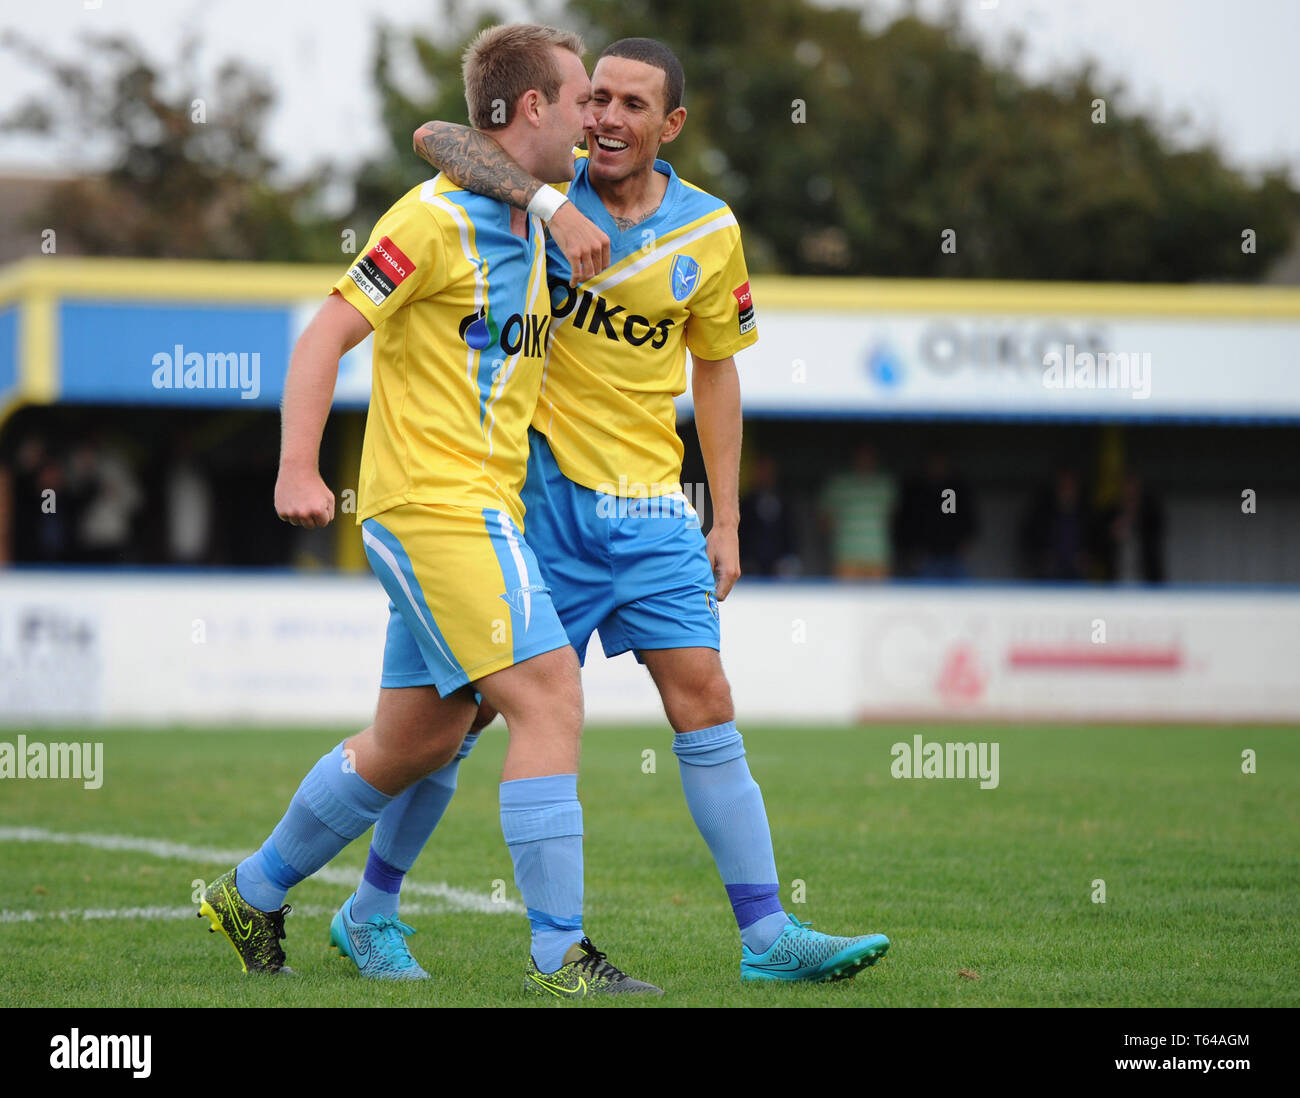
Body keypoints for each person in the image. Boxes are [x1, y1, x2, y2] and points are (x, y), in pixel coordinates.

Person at [345, 37, 889, 986]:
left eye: (633, 105)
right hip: (538, 498)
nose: (604, 117)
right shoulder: (535, 188)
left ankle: (768, 940)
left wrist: (723, 519)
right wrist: (549, 202)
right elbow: (439, 134)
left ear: (670, 125)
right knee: (460, 718)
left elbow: (715, 375)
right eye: (594, 97)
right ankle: (372, 908)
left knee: (705, 698)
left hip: (652, 508)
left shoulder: (709, 232)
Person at [197, 23, 659, 997]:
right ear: (533, 108)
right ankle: (559, 953)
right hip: (434, 507)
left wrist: (542, 195)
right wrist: (296, 467)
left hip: (485, 510)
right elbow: (327, 331)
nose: (592, 120)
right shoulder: (434, 221)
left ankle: (251, 892)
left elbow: (464, 135)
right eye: (580, 100)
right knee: (549, 697)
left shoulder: (537, 206)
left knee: (416, 741)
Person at [819, 441, 895, 578]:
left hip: (877, 556)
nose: (865, 459)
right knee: (843, 599)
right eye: (861, 455)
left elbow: (891, 516)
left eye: (869, 455)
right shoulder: (838, 483)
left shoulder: (884, 484)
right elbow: (824, 519)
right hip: (846, 556)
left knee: (880, 599)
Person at [739, 453, 800, 576]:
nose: (764, 475)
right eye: (761, 470)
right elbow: (740, 534)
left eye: (768, 471)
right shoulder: (745, 502)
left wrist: (787, 558)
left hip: (781, 564)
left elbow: (792, 534)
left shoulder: (785, 501)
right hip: (750, 564)